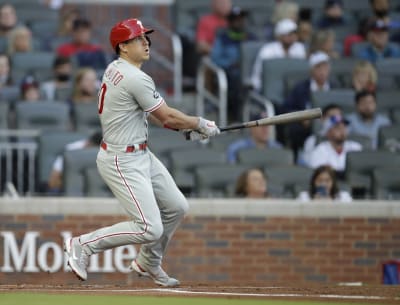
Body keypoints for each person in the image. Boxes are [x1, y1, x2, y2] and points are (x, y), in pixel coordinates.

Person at [63, 18, 220, 287]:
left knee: (177, 207)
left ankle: (149, 261)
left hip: (140, 153)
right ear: (123, 46)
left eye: (145, 37)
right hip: (121, 159)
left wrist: (184, 128)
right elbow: (168, 116)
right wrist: (199, 123)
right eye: (138, 38)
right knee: (149, 227)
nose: (146, 42)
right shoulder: (135, 77)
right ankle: (81, 245)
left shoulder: (117, 68)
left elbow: (156, 116)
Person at [283, 51, 340, 155]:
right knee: (294, 130)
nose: (322, 72)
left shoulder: (335, 87)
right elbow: (287, 108)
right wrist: (302, 117)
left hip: (332, 123)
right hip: (307, 127)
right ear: (311, 70)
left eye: (325, 67)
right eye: (318, 68)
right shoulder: (301, 89)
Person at [210, 6, 255, 122]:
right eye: (236, 19)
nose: (240, 22)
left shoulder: (251, 37)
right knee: (236, 80)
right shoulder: (223, 38)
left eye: (242, 19)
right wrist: (230, 64)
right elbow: (215, 59)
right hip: (229, 74)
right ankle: (236, 118)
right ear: (230, 22)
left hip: (251, 73)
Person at [250, 18, 306, 92]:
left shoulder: (300, 48)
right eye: (289, 34)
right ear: (280, 36)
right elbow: (258, 74)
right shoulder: (267, 50)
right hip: (269, 89)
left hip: (292, 89)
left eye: (294, 33)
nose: (293, 36)